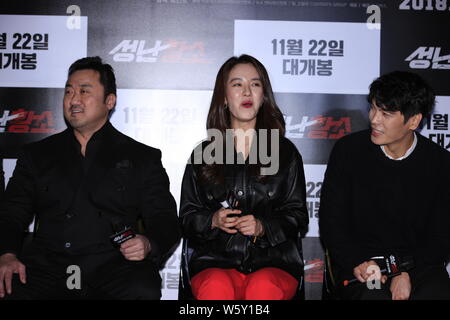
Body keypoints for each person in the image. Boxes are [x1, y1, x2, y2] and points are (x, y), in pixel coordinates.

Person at [0, 56, 180, 300]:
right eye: (69, 91)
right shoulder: (37, 155)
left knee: (141, 288)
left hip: (114, 266)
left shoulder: (142, 157)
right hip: (48, 266)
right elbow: (11, 213)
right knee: (9, 284)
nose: (74, 99)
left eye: (84, 91)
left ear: (110, 101)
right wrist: (7, 254)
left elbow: (164, 218)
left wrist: (149, 243)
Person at [179, 54, 309, 300]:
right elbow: (187, 217)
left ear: (264, 96)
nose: (247, 92)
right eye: (237, 84)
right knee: (216, 288)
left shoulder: (285, 153)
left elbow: (298, 216)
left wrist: (263, 227)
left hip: (274, 262)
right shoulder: (204, 154)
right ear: (224, 98)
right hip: (215, 262)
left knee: (262, 289)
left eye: (255, 84)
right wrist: (213, 221)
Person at [319, 71, 450, 300]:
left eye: (386, 113)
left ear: (414, 120)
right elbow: (332, 223)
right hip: (363, 266)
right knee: (373, 296)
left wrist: (405, 270)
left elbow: (442, 237)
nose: (374, 119)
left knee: (436, 293)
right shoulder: (348, 152)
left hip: (417, 267)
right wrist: (357, 262)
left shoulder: (440, 163)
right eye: (373, 108)